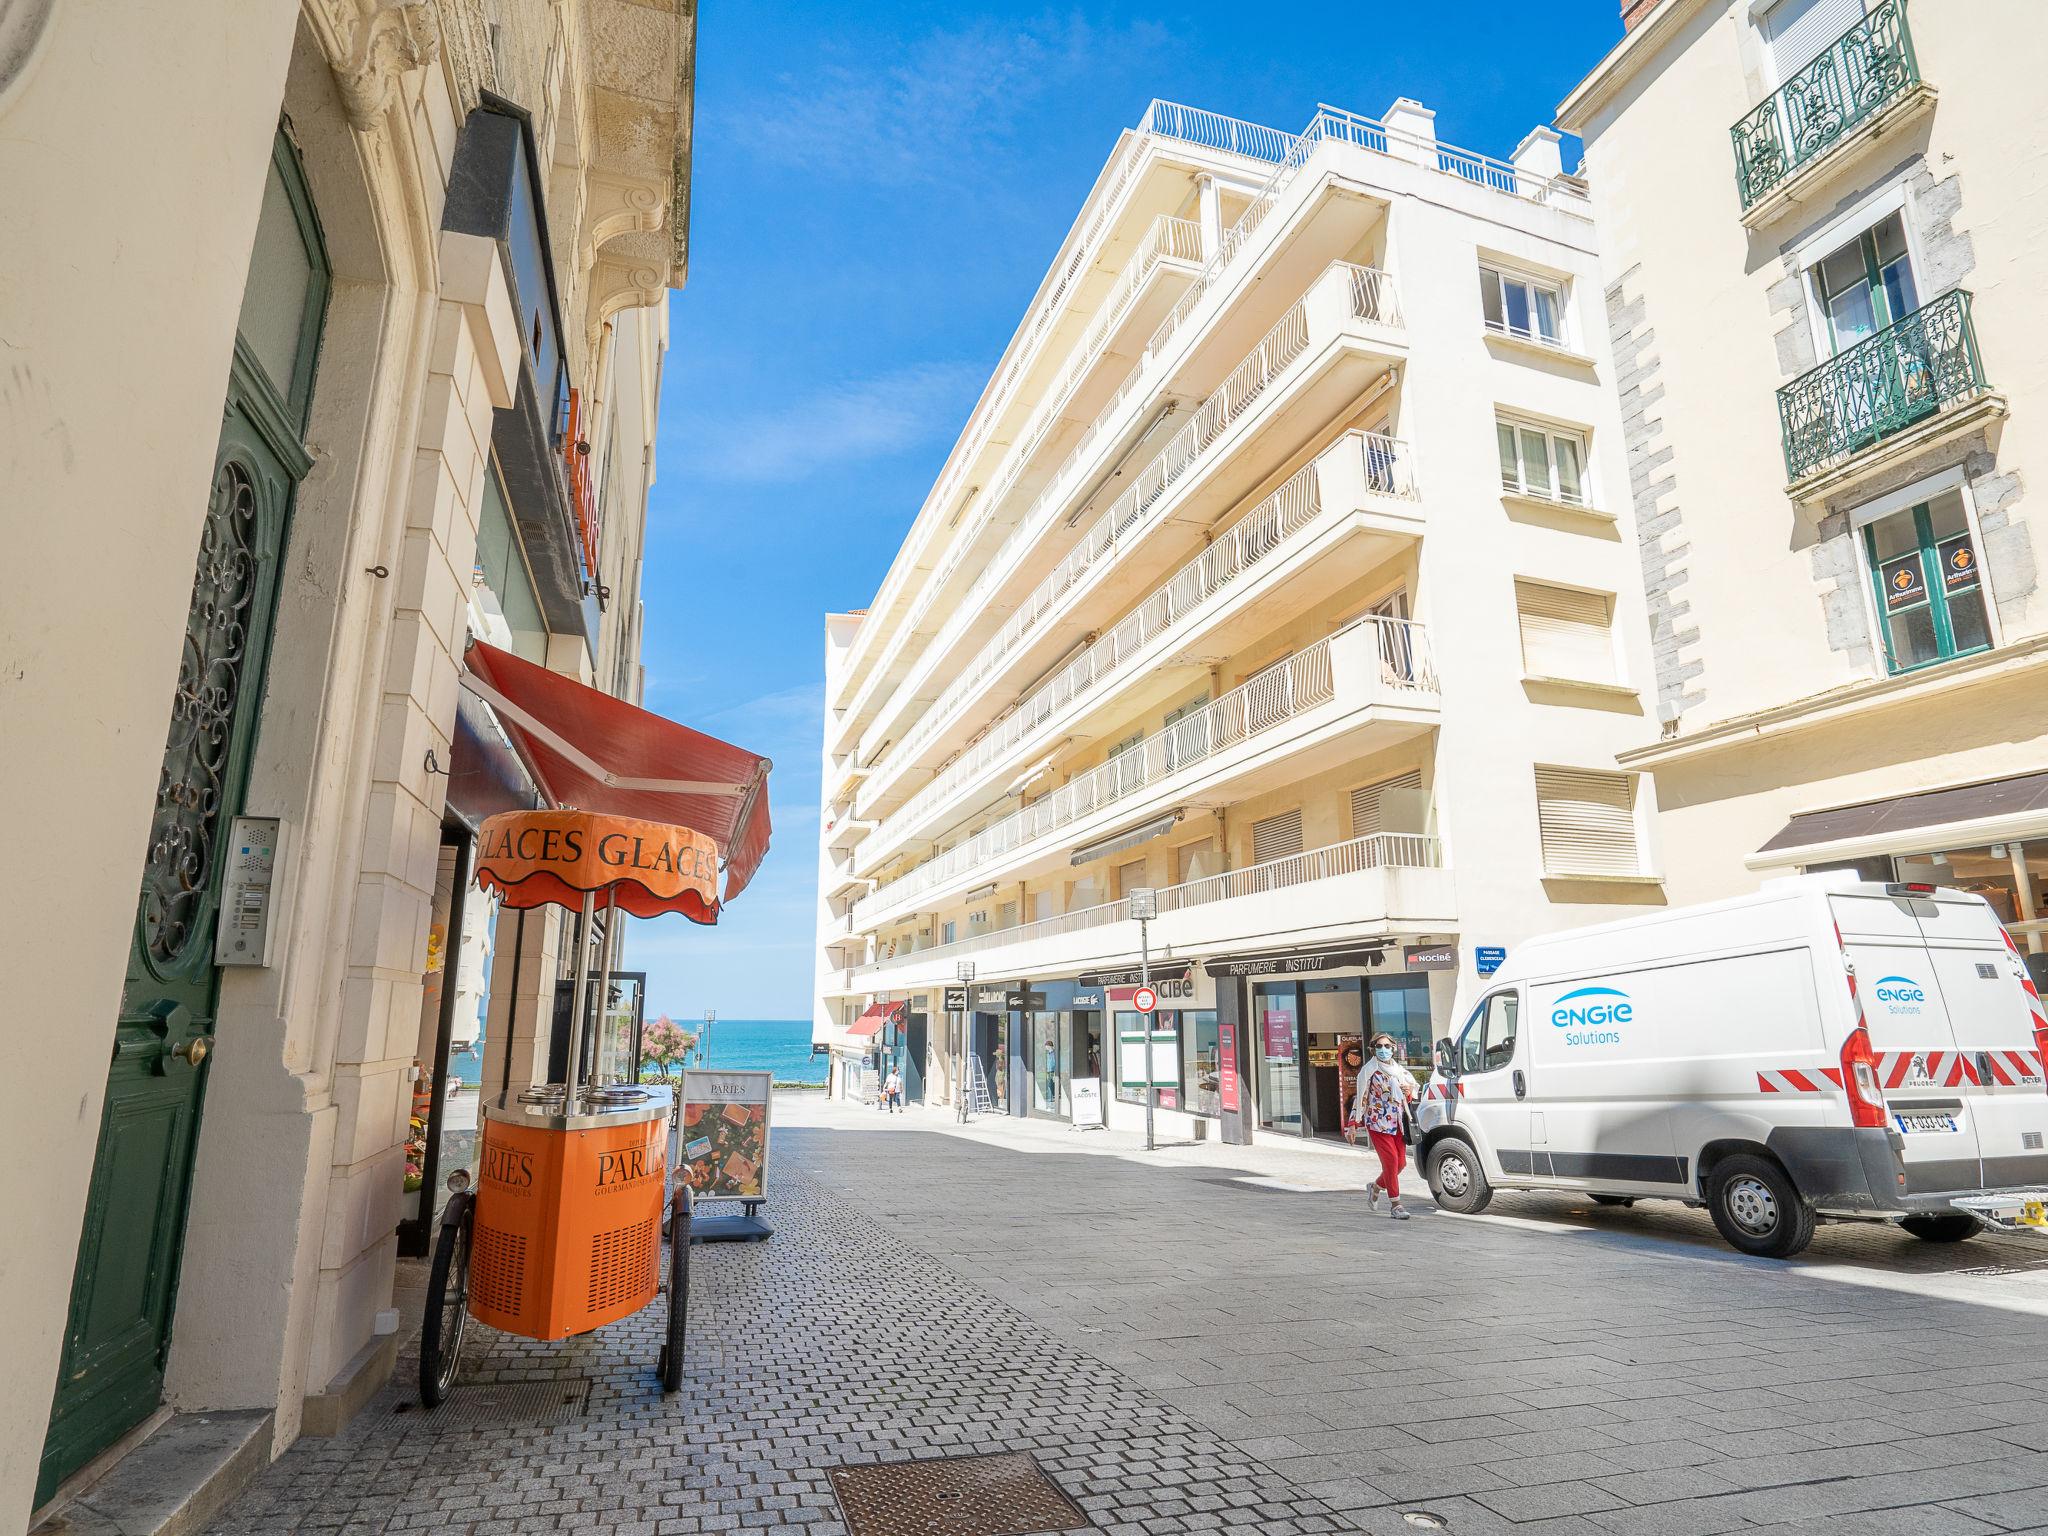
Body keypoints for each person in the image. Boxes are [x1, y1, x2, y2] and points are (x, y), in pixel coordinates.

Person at [1345, 1033, 1420, 1218]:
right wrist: (1353, 1124)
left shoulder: (1400, 1071)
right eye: (1379, 1046)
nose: (1383, 1050)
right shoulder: (1369, 1070)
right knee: (1391, 1162)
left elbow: (1411, 1093)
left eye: (1387, 1046)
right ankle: (1396, 1205)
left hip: (1397, 1121)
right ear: (1373, 1049)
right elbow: (1360, 1097)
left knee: (1400, 1163)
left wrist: (1408, 1091)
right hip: (1377, 1122)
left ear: (1393, 1048)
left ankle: (1376, 1187)